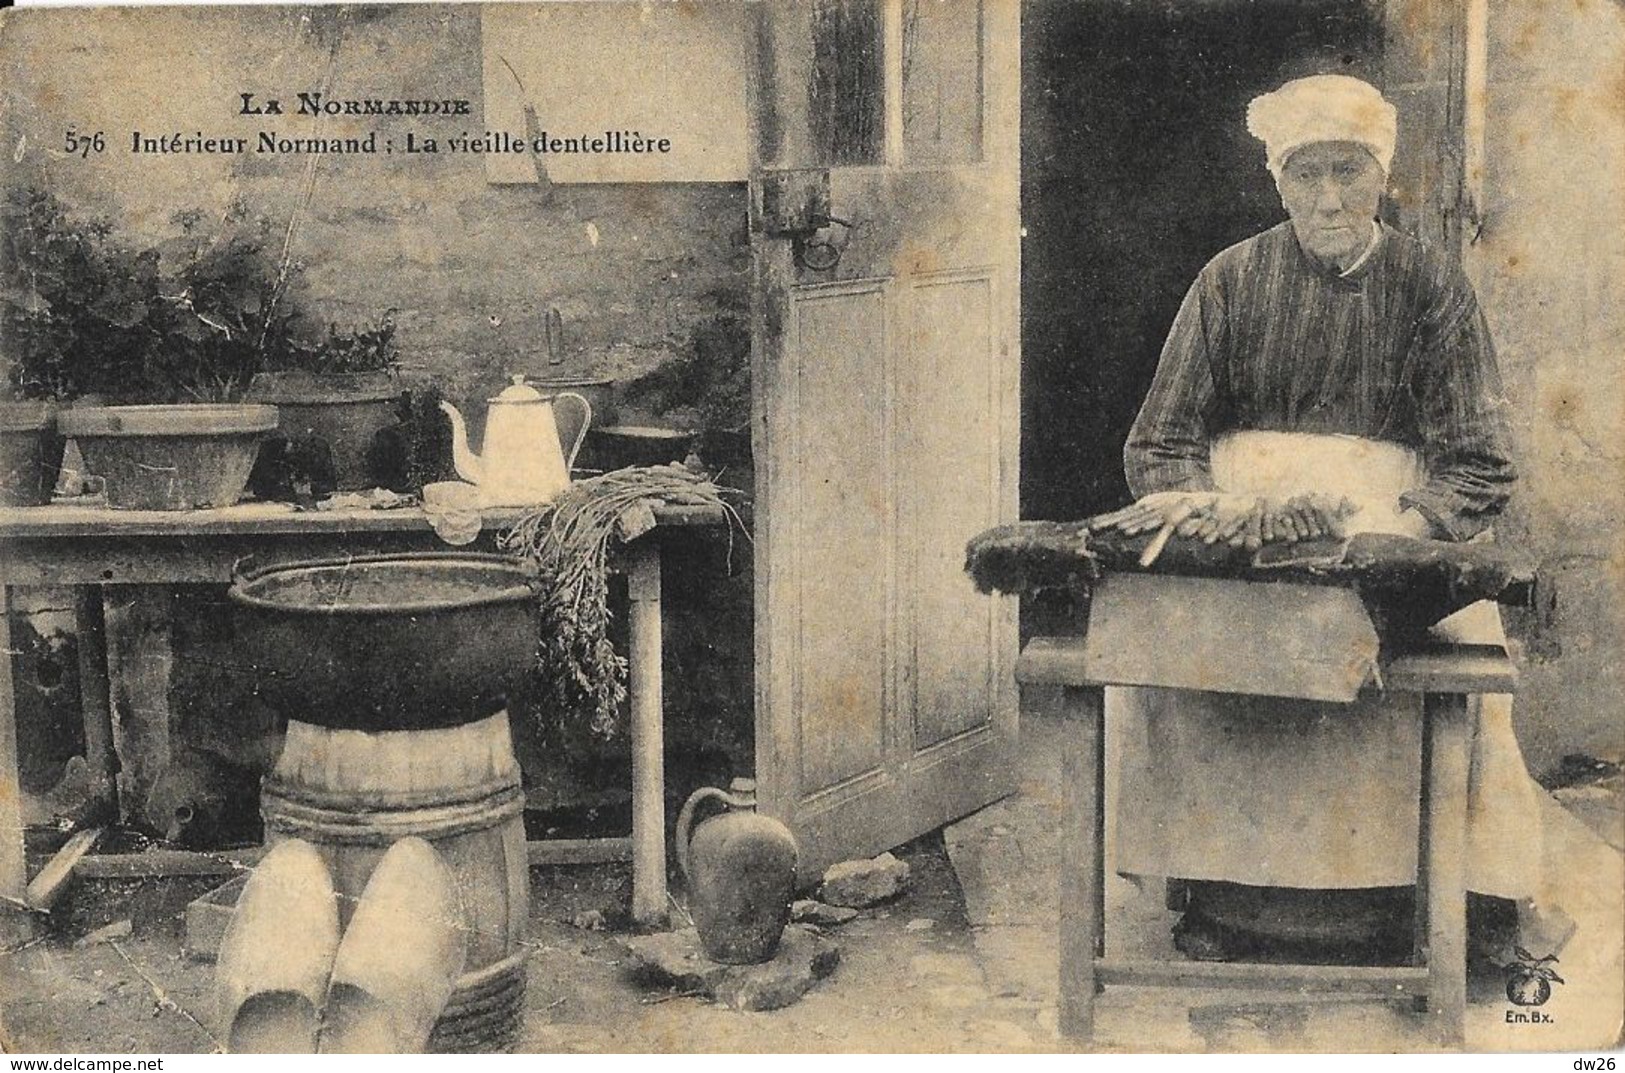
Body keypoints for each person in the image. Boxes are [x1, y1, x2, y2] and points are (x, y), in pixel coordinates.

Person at [1114, 74, 1556, 962]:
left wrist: (1403, 540)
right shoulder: (1229, 280)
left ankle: (1409, 898)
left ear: (1381, 177)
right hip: (1246, 541)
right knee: (1193, 666)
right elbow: (1158, 442)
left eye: (1348, 173)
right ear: (1278, 182)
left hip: (1386, 535)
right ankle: (1230, 896)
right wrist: (1218, 525)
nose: (1328, 198)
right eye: (1306, 174)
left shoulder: (1432, 286)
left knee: (1437, 675)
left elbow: (1477, 457)